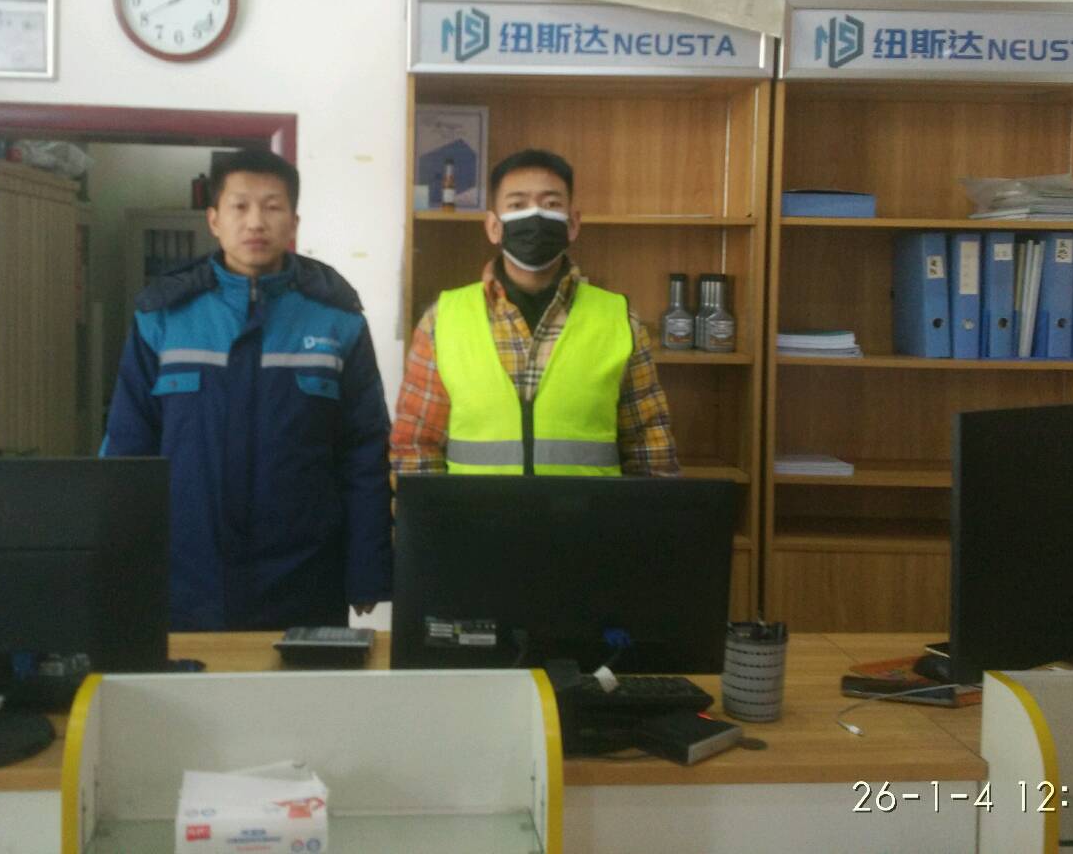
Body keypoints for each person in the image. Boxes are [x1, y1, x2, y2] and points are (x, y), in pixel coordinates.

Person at [102, 148, 392, 630]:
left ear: (293, 222)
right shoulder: (164, 317)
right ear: (214, 219)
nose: (255, 221)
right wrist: (119, 565)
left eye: (272, 207)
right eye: (239, 206)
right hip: (185, 571)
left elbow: (364, 453)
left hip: (306, 572)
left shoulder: (337, 320)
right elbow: (127, 449)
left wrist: (367, 568)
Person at [391, 148, 680, 477]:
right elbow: (415, 446)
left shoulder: (619, 320)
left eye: (551, 204)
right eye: (517, 205)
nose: (535, 216)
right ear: (494, 227)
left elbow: (650, 449)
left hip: (586, 512)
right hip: (475, 512)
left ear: (572, 224)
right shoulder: (442, 320)